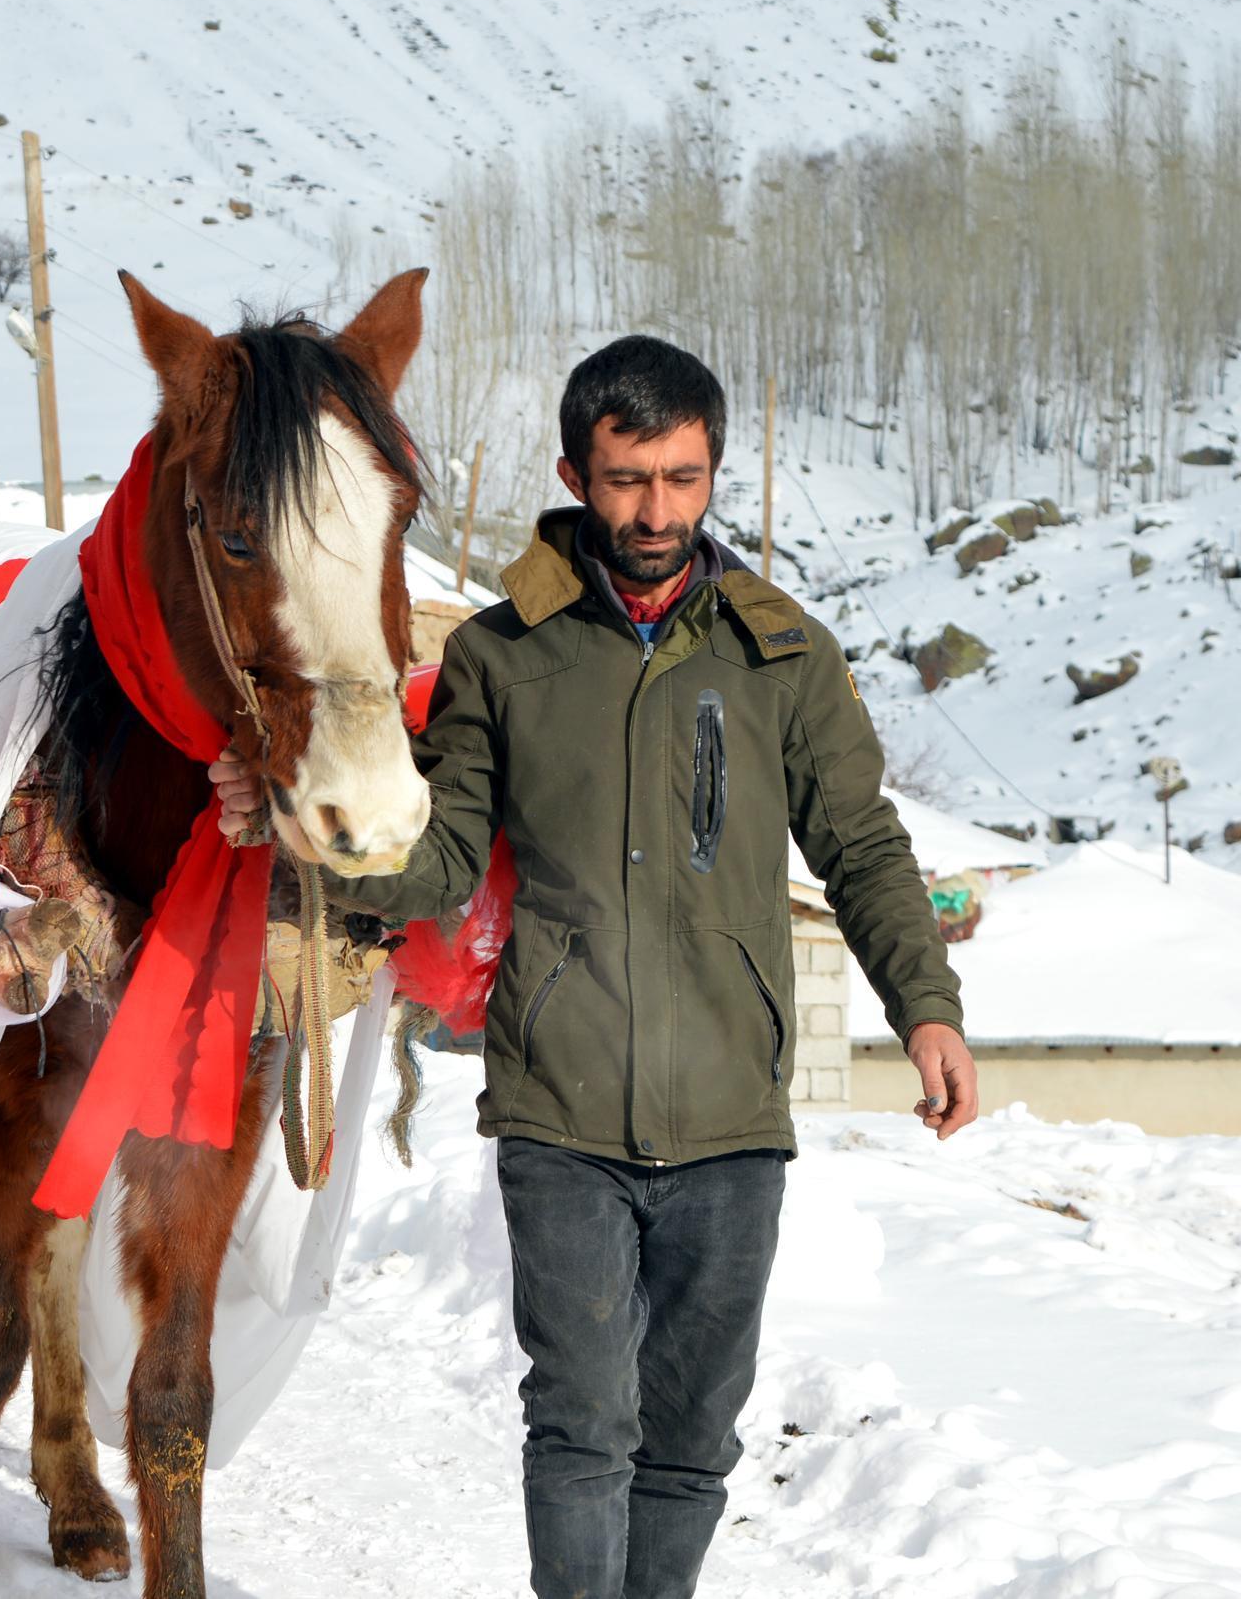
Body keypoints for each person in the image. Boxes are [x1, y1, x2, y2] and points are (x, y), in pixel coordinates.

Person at [213, 335, 977, 1599]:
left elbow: (863, 845)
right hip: (559, 1107)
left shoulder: (783, 655)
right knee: (579, 1422)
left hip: (734, 1114)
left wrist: (927, 1010)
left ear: (712, 470)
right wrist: (306, 827)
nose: (657, 510)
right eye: (628, 480)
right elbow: (441, 856)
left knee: (689, 1436)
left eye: (683, 479)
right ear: (577, 471)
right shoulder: (503, 656)